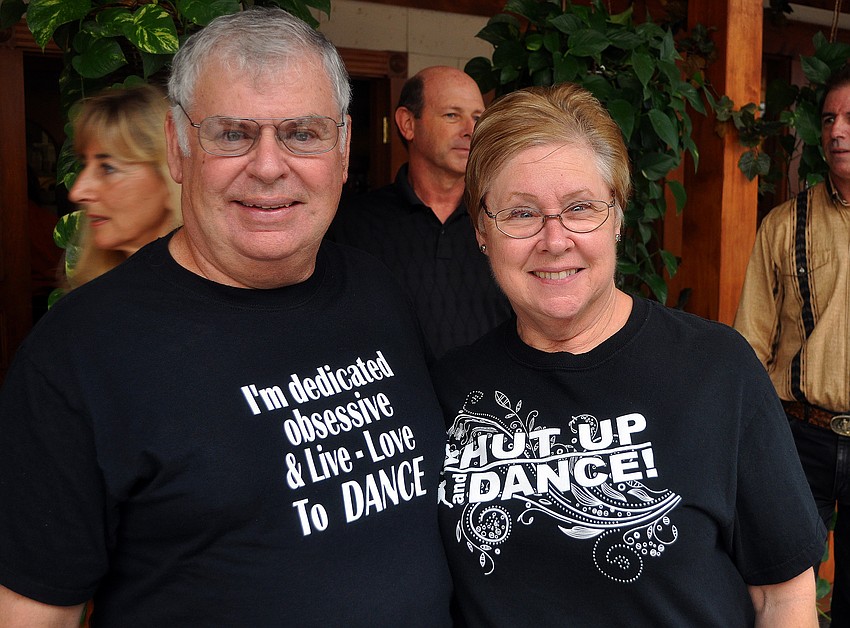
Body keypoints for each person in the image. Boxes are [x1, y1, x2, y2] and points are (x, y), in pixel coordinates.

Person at [0, 8, 452, 626]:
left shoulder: (377, 291)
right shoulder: (79, 356)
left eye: (303, 133)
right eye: (232, 133)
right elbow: (33, 615)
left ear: (344, 150)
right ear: (178, 148)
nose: (268, 166)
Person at [433, 82, 826, 626]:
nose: (554, 239)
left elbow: (782, 596)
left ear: (618, 215)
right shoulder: (447, 391)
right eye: (520, 214)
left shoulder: (716, 369)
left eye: (581, 208)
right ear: (482, 231)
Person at [734, 64, 850, 624]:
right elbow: (748, 345)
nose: (836, 131)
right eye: (829, 118)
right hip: (800, 434)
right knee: (783, 583)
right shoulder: (784, 225)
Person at [327, 66, 511, 358]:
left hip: (495, 400)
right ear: (407, 123)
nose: (470, 130)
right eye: (452, 115)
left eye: (478, 117)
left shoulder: (503, 220)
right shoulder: (352, 223)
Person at [66, 84, 182, 288]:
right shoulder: (89, 303)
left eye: (108, 168)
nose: (78, 192)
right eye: (85, 165)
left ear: (169, 175)